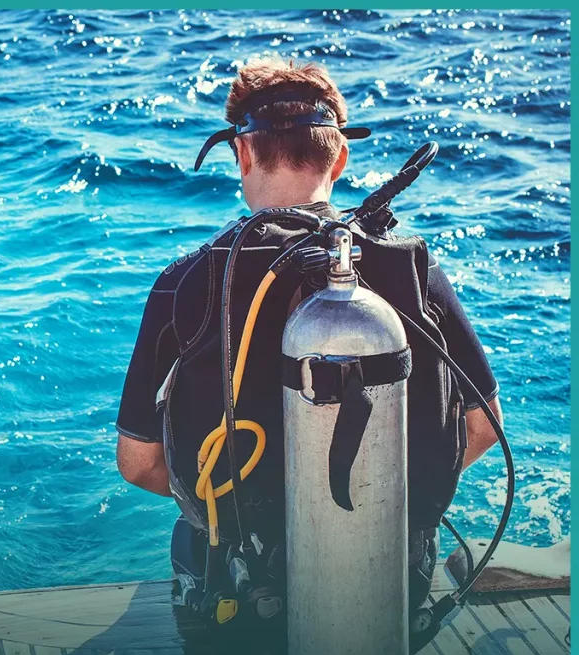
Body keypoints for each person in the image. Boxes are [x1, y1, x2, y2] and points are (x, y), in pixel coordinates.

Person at [114, 56, 503, 614]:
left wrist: (227, 511)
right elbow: (484, 427)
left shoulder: (188, 280)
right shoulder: (407, 266)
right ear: (339, 157)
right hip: (389, 573)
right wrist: (379, 506)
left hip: (245, 578)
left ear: (242, 153)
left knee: (191, 537)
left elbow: (138, 462)